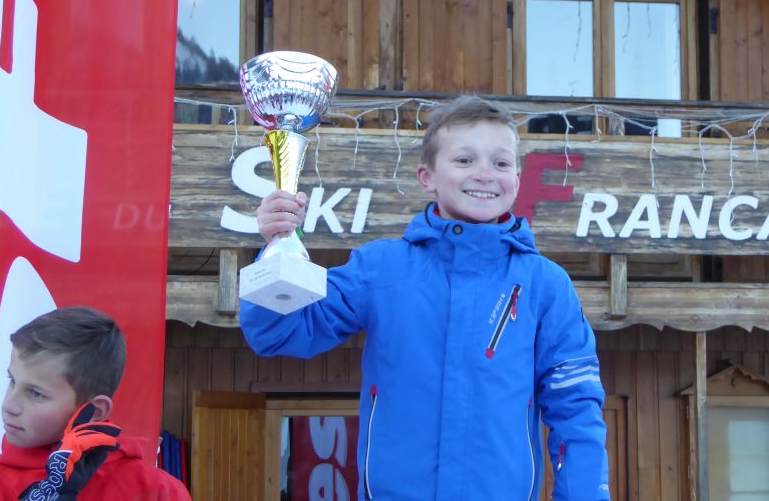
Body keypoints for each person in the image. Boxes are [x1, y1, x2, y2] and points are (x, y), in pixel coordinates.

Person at [241, 95, 610, 501]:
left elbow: (576, 411)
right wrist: (276, 250)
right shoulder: (380, 269)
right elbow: (278, 332)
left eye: (501, 163)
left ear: (517, 179)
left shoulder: (545, 285)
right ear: (426, 177)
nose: (485, 174)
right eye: (464, 160)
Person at [0, 307, 191, 500]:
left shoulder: (158, 491)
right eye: (12, 380)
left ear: (94, 411)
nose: (9, 405)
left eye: (36, 394)